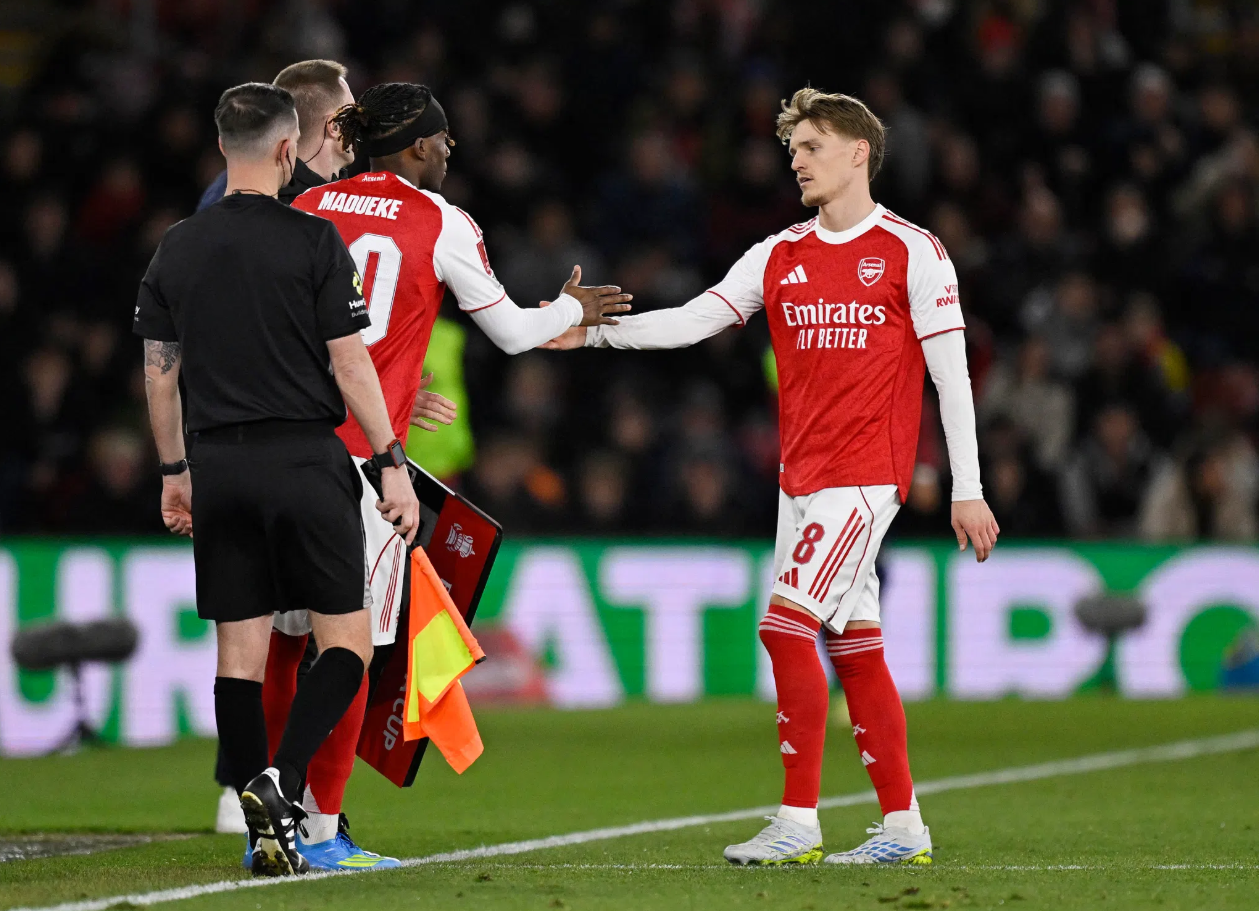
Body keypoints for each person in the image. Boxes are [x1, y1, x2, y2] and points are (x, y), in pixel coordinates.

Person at [544, 88, 999, 865]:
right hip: (800, 480)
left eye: (812, 146)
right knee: (854, 644)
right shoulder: (777, 254)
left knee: (784, 625)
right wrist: (592, 335)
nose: (797, 161)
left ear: (858, 152)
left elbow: (950, 375)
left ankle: (797, 820)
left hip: (865, 474)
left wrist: (967, 486)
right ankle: (903, 828)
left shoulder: (912, 251)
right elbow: (693, 319)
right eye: (792, 150)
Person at [248, 80, 630, 865]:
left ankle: (265, 824)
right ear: (418, 144)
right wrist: (571, 309)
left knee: (285, 643)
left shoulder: (307, 207)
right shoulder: (440, 220)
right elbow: (514, 333)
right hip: (361, 465)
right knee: (350, 647)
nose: (451, 152)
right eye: (445, 140)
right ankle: (316, 828)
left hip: (275, 451)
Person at [133, 82, 419, 877]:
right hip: (303, 459)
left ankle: (260, 823)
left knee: (239, 654)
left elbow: (160, 374)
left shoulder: (176, 246)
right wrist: (390, 461)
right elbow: (350, 363)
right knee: (347, 641)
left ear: (222, 147)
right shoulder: (314, 239)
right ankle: (282, 783)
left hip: (218, 464)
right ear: (290, 149)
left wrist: (173, 471)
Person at [198, 59, 356, 212]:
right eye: (352, 114)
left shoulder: (232, 185)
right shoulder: (241, 194)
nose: (360, 123)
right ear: (334, 126)